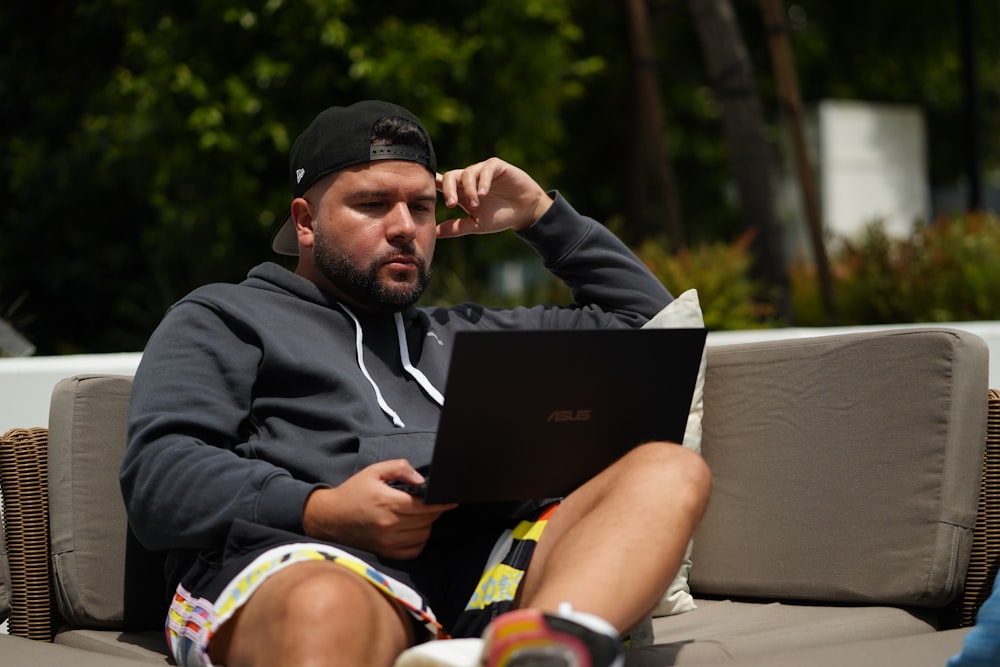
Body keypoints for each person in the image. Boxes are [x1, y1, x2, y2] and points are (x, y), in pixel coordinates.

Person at [120, 99, 711, 667]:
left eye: (422, 207)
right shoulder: (224, 317)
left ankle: (547, 649)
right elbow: (160, 474)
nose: (405, 228)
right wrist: (321, 509)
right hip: (314, 559)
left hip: (494, 572)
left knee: (669, 470)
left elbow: (651, 328)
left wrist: (542, 218)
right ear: (305, 221)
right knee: (324, 606)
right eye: (374, 204)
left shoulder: (469, 331)